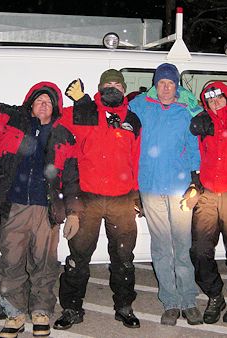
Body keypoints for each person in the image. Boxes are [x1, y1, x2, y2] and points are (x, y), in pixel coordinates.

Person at [0, 68, 80, 337]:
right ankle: (14, 314)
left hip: (47, 209)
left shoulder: (63, 135)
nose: (43, 105)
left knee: (45, 264)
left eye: (49, 101)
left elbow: (73, 178)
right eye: (39, 100)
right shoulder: (12, 121)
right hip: (15, 206)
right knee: (12, 261)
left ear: (55, 108)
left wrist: (73, 212)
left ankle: (41, 311)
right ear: (30, 103)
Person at [53, 70, 142, 330]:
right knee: (78, 256)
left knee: (124, 258)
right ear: (100, 88)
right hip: (87, 198)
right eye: (107, 85)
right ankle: (71, 308)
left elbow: (135, 158)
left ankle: (124, 307)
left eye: (117, 85)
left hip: (122, 199)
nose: (112, 88)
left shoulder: (133, 120)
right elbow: (53, 119)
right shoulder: (84, 112)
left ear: (124, 89)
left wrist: (137, 193)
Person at [128, 63, 204, 326]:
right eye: (161, 83)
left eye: (171, 83)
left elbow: (194, 145)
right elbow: (122, 108)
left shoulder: (185, 111)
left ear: (177, 86)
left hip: (180, 188)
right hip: (149, 187)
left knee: (182, 246)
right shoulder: (143, 106)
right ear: (155, 85)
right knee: (161, 247)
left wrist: (196, 180)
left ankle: (189, 300)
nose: (166, 88)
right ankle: (170, 302)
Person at [188, 81, 227, 324]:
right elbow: (192, 154)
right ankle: (215, 295)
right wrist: (194, 182)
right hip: (208, 194)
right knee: (200, 251)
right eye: (210, 98)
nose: (215, 101)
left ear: (226, 96)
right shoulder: (203, 122)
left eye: (219, 96)